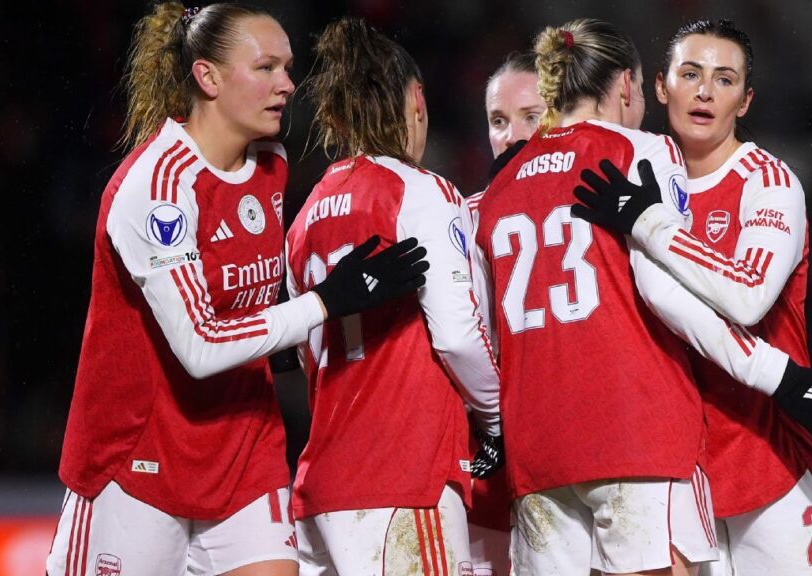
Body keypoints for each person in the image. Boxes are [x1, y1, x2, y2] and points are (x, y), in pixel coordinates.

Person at [47, 4, 427, 576]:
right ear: (208, 77)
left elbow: (250, 310)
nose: (287, 84)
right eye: (267, 67)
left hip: (243, 449)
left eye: (287, 67)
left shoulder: (269, 165)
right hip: (139, 459)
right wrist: (326, 301)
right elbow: (200, 347)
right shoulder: (157, 189)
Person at [571, 19, 812, 575]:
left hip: (773, 462)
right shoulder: (637, 180)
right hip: (681, 474)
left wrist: (650, 223)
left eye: (724, 79)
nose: (705, 91)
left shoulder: (768, 182)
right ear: (661, 87)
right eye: (690, 74)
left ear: (746, 100)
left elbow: (748, 297)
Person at [284, 17, 501, 575]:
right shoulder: (422, 192)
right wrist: (500, 419)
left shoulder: (304, 217)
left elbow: (309, 357)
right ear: (416, 99)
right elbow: (456, 335)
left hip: (322, 487)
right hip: (402, 479)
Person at [465, 49, 546, 576]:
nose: (512, 136)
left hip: (569, 460)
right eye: (499, 121)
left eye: (530, 117)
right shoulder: (462, 219)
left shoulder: (595, 212)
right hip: (487, 469)